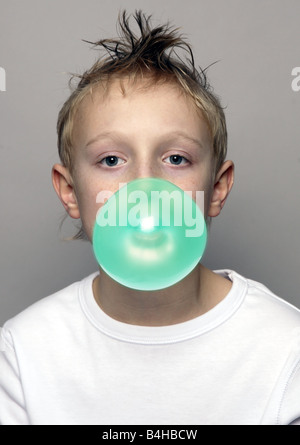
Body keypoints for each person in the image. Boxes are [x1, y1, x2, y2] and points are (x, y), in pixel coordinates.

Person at [0, 10, 299, 426]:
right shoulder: (23, 353)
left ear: (217, 188)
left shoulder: (287, 349)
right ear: (70, 192)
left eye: (176, 158)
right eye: (111, 159)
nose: (145, 187)